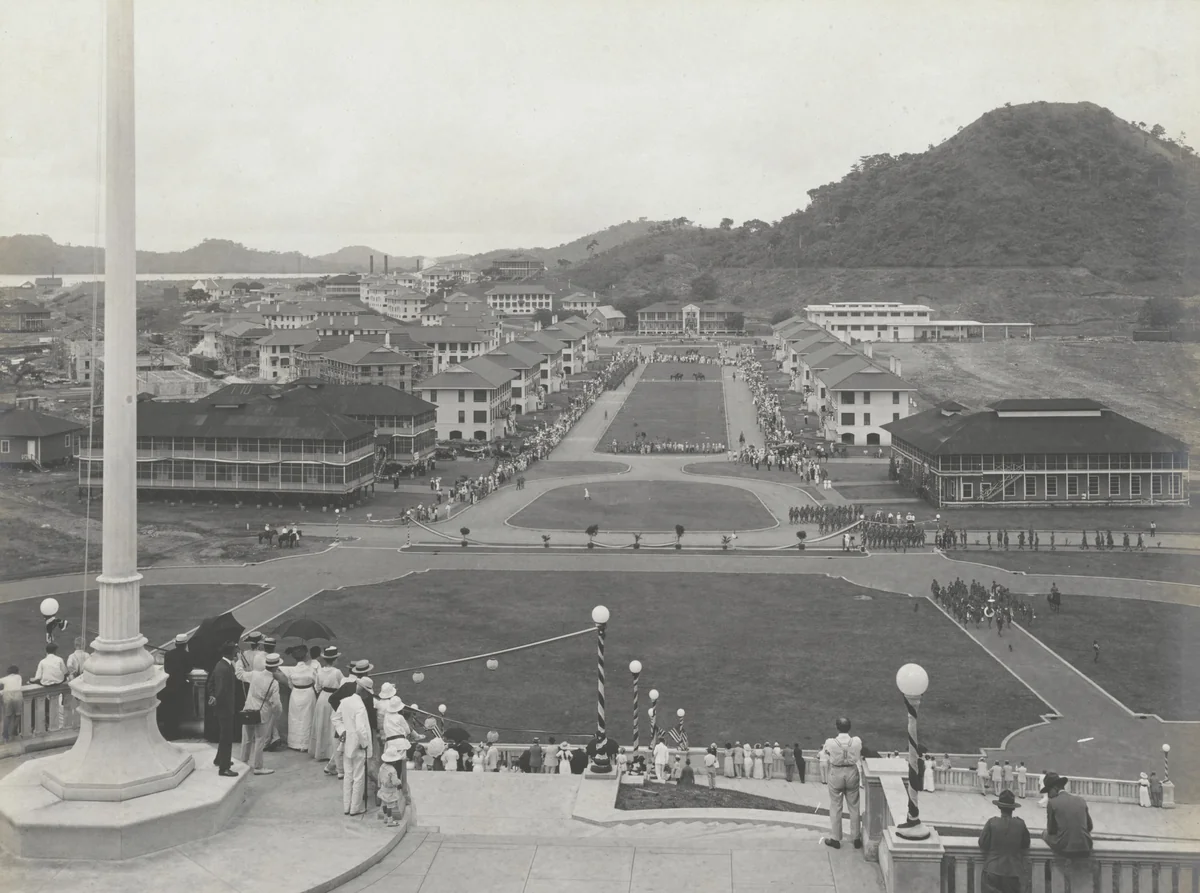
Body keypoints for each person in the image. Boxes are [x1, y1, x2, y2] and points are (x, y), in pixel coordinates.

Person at [236, 651, 284, 775]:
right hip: (262, 712)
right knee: (259, 740)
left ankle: (243, 763)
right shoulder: (274, 683)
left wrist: (239, 660)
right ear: (275, 667)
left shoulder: (255, 674)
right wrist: (277, 714)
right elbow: (276, 703)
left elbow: (239, 674)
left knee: (246, 738)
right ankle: (258, 767)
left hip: (249, 708)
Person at [819, 717, 863, 850]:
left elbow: (826, 753)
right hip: (851, 772)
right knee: (854, 806)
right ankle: (856, 837)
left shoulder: (830, 742)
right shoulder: (856, 741)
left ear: (837, 727)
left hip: (837, 772)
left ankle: (836, 838)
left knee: (836, 806)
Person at [335, 675, 375, 816]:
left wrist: (342, 731)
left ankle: (347, 807)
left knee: (348, 776)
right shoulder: (360, 707)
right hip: (358, 745)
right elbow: (360, 729)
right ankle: (355, 808)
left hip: (347, 745)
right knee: (358, 777)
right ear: (364, 692)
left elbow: (335, 718)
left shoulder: (345, 701)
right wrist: (364, 743)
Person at [977, 790, 1030, 893]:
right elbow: (1025, 844)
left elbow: (983, 844)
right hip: (1014, 871)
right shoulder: (1020, 824)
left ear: (999, 807)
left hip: (993, 869)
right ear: (1013, 808)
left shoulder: (992, 822)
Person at [1040, 772, 1093, 874]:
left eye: (1048, 791)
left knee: (1044, 833)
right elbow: (1089, 827)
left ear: (1055, 788)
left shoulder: (1052, 803)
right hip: (1086, 847)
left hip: (1066, 849)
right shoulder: (1080, 800)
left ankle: (1047, 871)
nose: (1048, 795)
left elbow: (1051, 830)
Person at [207, 642, 240, 777]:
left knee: (224, 735)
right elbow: (220, 689)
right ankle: (224, 767)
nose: (237, 654)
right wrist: (217, 699)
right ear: (230, 653)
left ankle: (220, 759)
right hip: (225, 708)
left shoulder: (221, 665)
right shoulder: (224, 668)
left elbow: (211, 683)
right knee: (227, 737)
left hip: (223, 706)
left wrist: (213, 696)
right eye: (235, 651)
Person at [311, 645, 344, 765]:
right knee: (332, 724)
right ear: (334, 659)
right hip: (332, 699)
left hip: (322, 698)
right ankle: (330, 752)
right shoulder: (337, 672)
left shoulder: (320, 671)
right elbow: (343, 686)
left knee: (322, 723)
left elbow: (317, 687)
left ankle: (321, 752)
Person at [31, 642, 67, 731]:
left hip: (46, 684)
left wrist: (31, 680)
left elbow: (38, 677)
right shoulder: (59, 659)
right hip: (58, 682)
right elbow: (65, 672)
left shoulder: (42, 662)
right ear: (55, 651)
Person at [377, 741, 406, 827]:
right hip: (390, 790)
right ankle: (390, 819)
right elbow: (395, 781)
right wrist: (399, 783)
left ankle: (385, 817)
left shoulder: (382, 766)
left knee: (384, 804)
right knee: (390, 805)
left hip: (383, 788)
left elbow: (379, 776)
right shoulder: (392, 770)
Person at [2, 665, 24, 743]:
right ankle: (14, 730)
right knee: (18, 714)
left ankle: (5, 734)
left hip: (7, 695)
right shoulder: (19, 677)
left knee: (7, 716)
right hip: (17, 695)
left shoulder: (5, 679)